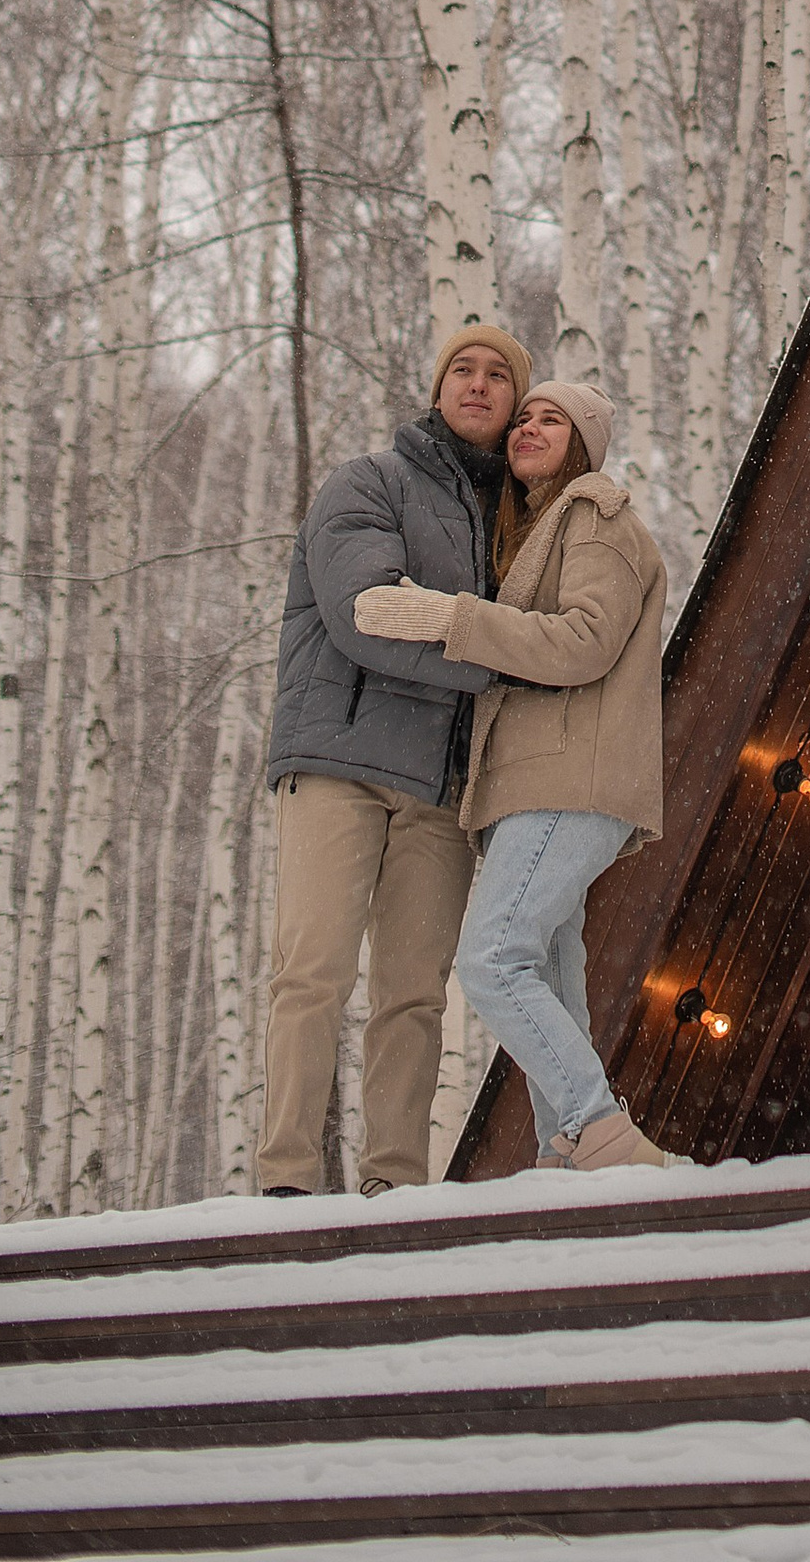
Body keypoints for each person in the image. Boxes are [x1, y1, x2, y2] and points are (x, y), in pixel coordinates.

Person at [357, 373, 672, 1174]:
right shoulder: (538, 528)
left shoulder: (594, 516)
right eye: (524, 419)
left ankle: (596, 1128)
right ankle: (565, 1157)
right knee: (547, 971)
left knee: (492, 957)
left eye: (552, 420)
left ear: (585, 443)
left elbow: (583, 644)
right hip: (539, 782)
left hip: (570, 778)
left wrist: (451, 618)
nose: (528, 427)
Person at [257, 322, 530, 1196]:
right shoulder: (367, 482)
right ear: (438, 386)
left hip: (443, 791)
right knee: (315, 973)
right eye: (463, 368)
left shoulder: (522, 526)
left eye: (498, 375)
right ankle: (287, 1178)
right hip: (339, 762)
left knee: (415, 995)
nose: (479, 384)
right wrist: (501, 651)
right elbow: (367, 610)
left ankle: (395, 1185)